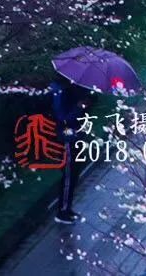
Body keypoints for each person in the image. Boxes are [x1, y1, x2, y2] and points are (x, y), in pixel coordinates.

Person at [48, 74, 89, 225]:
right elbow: (63, 116)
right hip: (66, 135)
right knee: (69, 174)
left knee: (74, 172)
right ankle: (63, 210)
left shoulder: (73, 88)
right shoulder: (60, 91)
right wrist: (79, 107)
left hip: (75, 134)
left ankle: (67, 208)